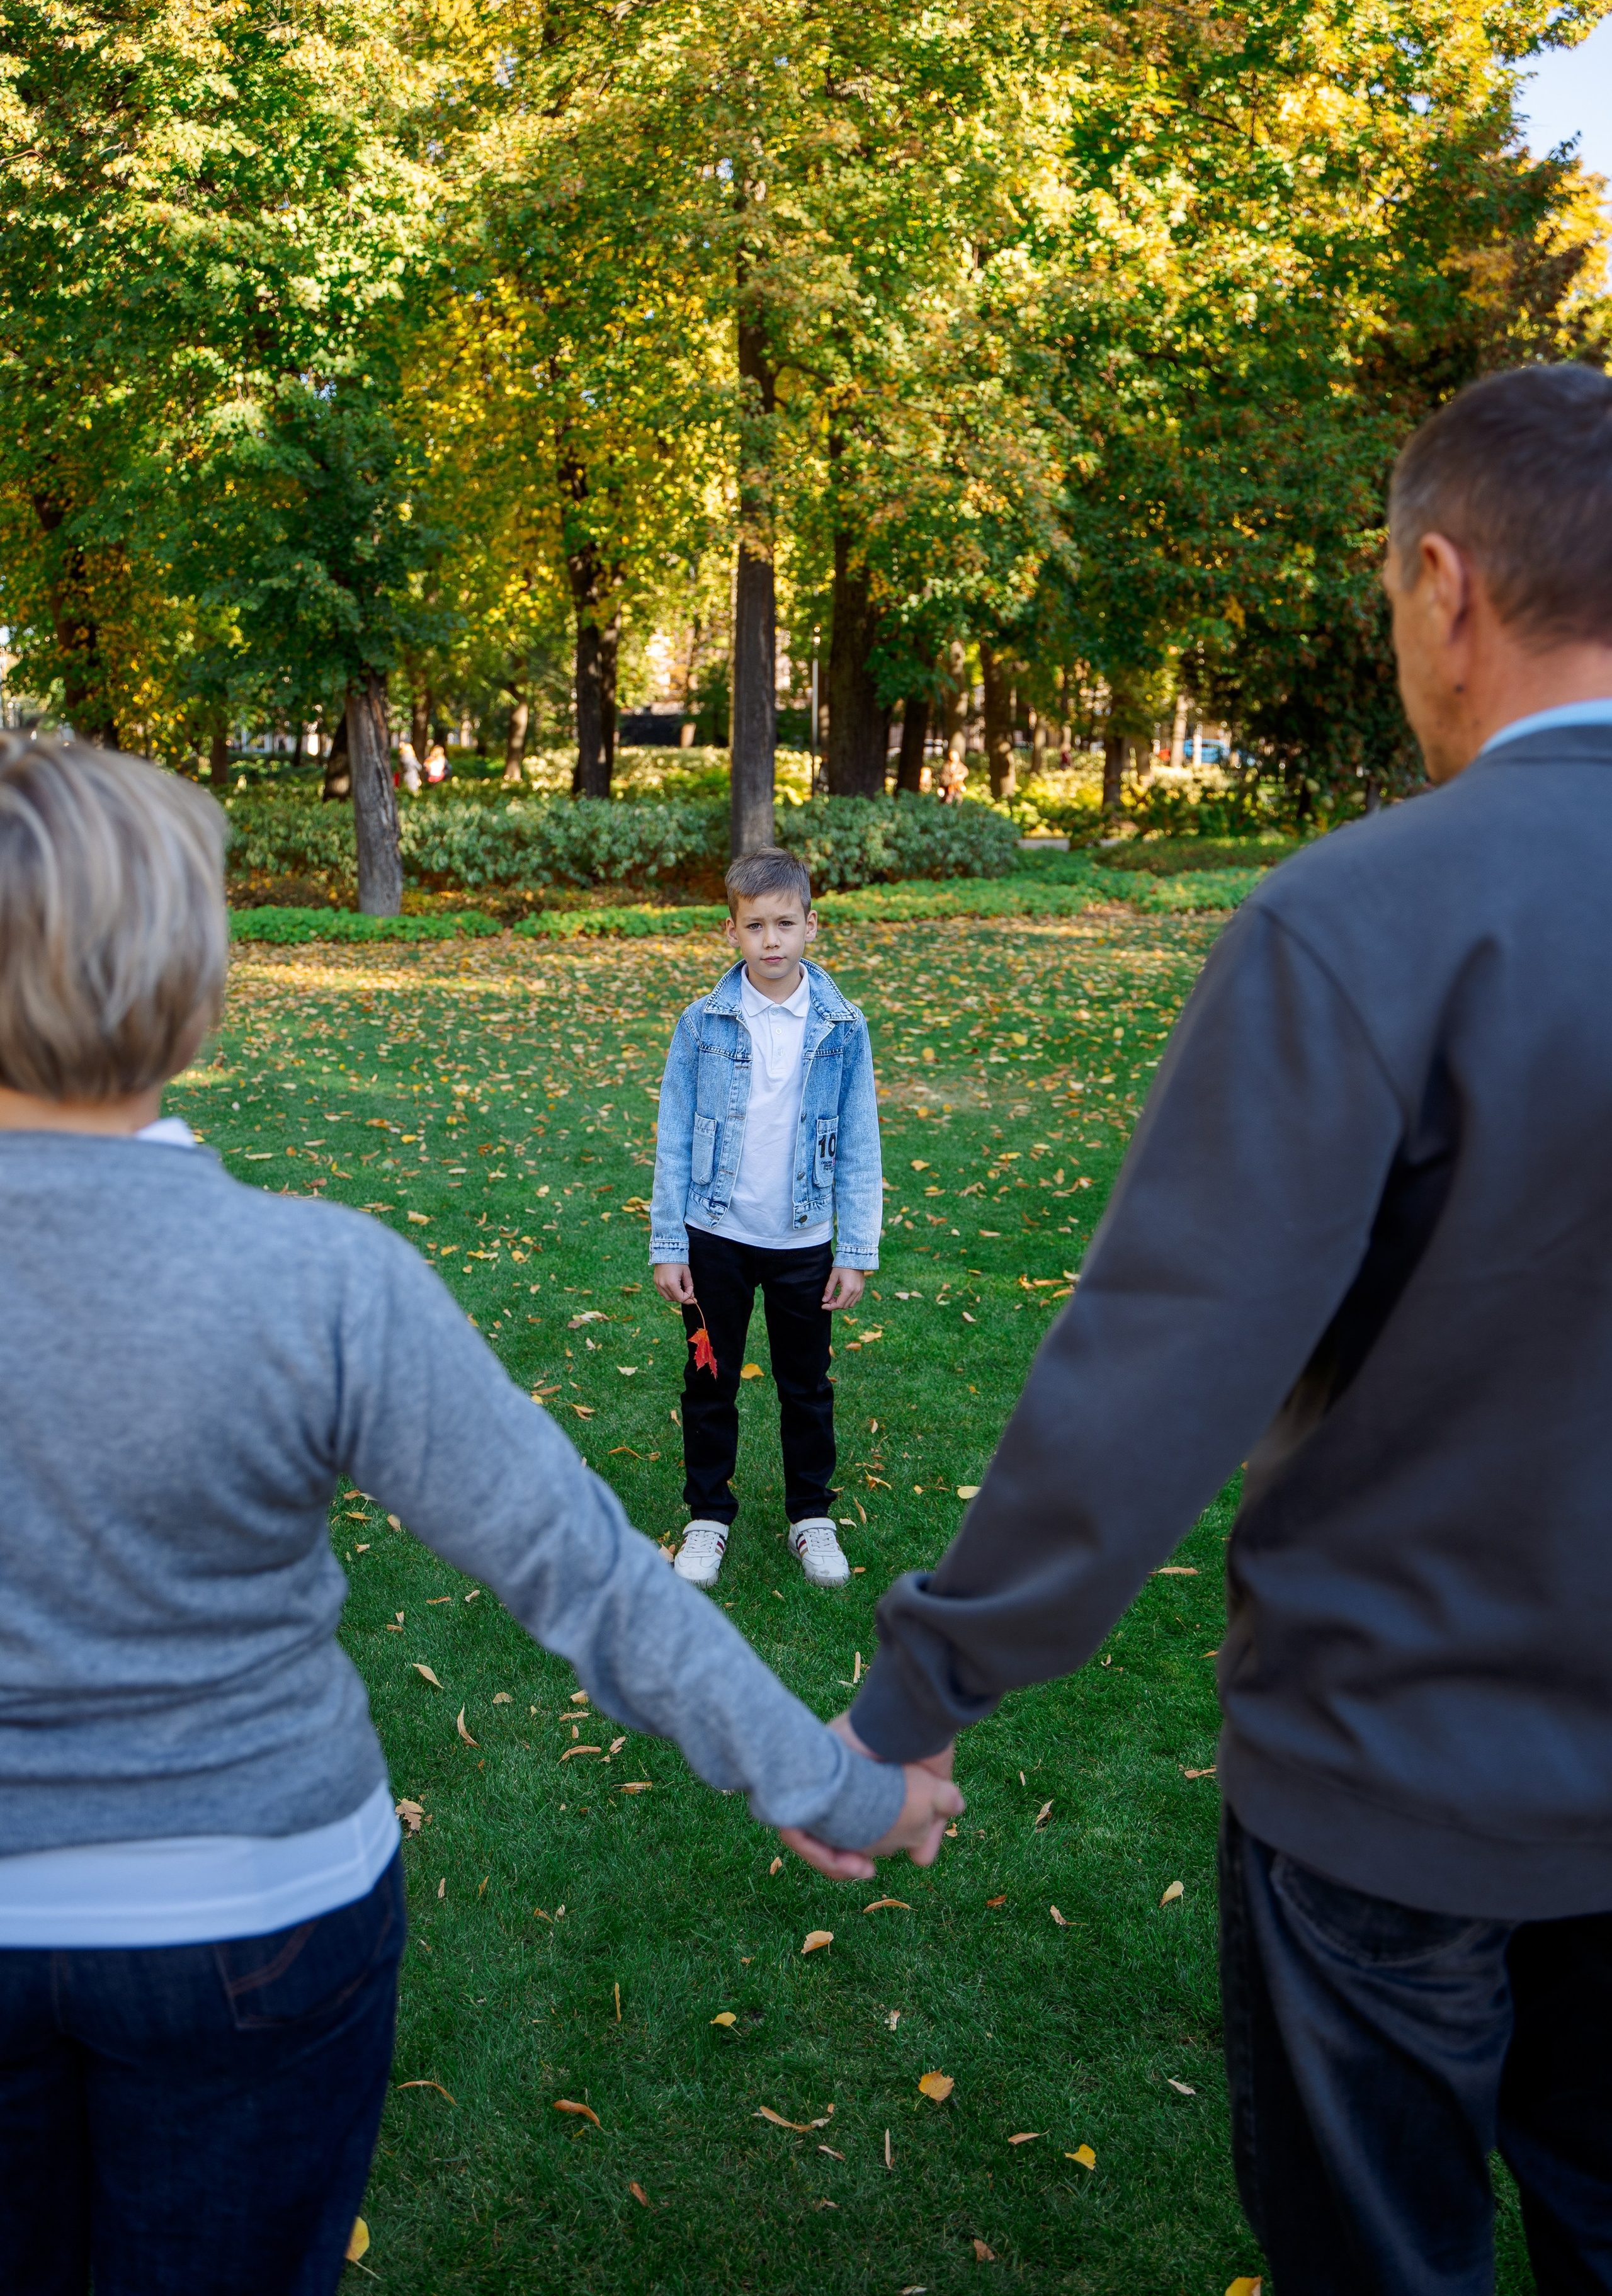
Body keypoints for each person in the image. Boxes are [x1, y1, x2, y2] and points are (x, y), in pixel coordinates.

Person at [839, 363, 1612, 2295]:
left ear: (1444, 586)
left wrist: (918, 1693)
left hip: (1391, 1788)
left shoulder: (1361, 917)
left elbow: (1154, 1374)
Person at [0, 739, 959, 2296]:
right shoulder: (324, 1279)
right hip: (257, 1926)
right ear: (195, 985)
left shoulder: (329, 1287)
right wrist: (830, 1781)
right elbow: (580, 1572)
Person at [650, 848, 881, 1591]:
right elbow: (674, 1136)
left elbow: (859, 1143)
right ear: (732, 932)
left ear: (812, 925)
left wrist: (854, 1247)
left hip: (803, 1244)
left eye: (786, 924)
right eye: (756, 926)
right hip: (715, 1237)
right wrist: (668, 1242)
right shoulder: (703, 1023)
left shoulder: (843, 1026)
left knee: (805, 1385)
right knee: (708, 1379)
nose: (772, 940)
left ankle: (810, 1516)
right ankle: (707, 1518)